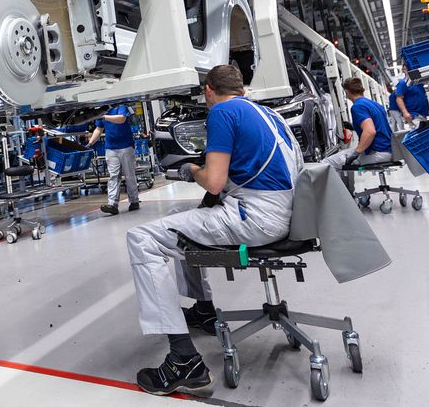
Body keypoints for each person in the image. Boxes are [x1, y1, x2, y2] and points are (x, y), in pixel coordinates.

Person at [125, 65, 301, 396]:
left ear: (208, 90)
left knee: (142, 239)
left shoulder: (222, 112)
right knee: (182, 220)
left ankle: (183, 360)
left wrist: (191, 169)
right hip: (283, 213)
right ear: (241, 88)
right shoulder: (269, 115)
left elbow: (215, 180)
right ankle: (203, 310)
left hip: (255, 217)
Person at [325, 78, 393, 170]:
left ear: (346, 91)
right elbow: (377, 126)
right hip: (388, 150)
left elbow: (370, 131)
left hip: (377, 153)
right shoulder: (375, 104)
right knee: (345, 158)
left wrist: (356, 153)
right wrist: (353, 126)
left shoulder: (357, 106)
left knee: (327, 163)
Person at [88, 103, 141, 215]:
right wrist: (91, 142)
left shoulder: (121, 106)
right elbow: (99, 128)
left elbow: (121, 119)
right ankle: (112, 205)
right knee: (113, 176)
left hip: (126, 146)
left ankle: (134, 201)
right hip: (110, 148)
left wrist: (103, 116)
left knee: (129, 175)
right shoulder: (101, 110)